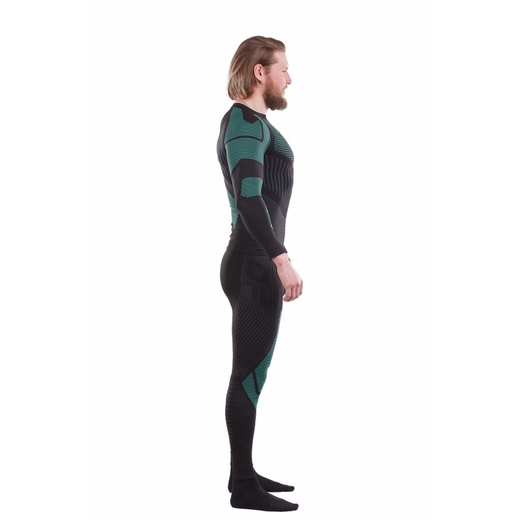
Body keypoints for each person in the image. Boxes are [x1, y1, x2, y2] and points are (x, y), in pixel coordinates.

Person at [216, 36, 303, 512]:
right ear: (259, 72)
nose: (289, 78)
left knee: (256, 371)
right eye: (283, 68)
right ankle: (244, 488)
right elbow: (249, 199)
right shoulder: (243, 123)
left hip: (254, 262)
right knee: (247, 374)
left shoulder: (255, 124)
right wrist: (280, 259)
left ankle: (243, 473)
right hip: (254, 264)